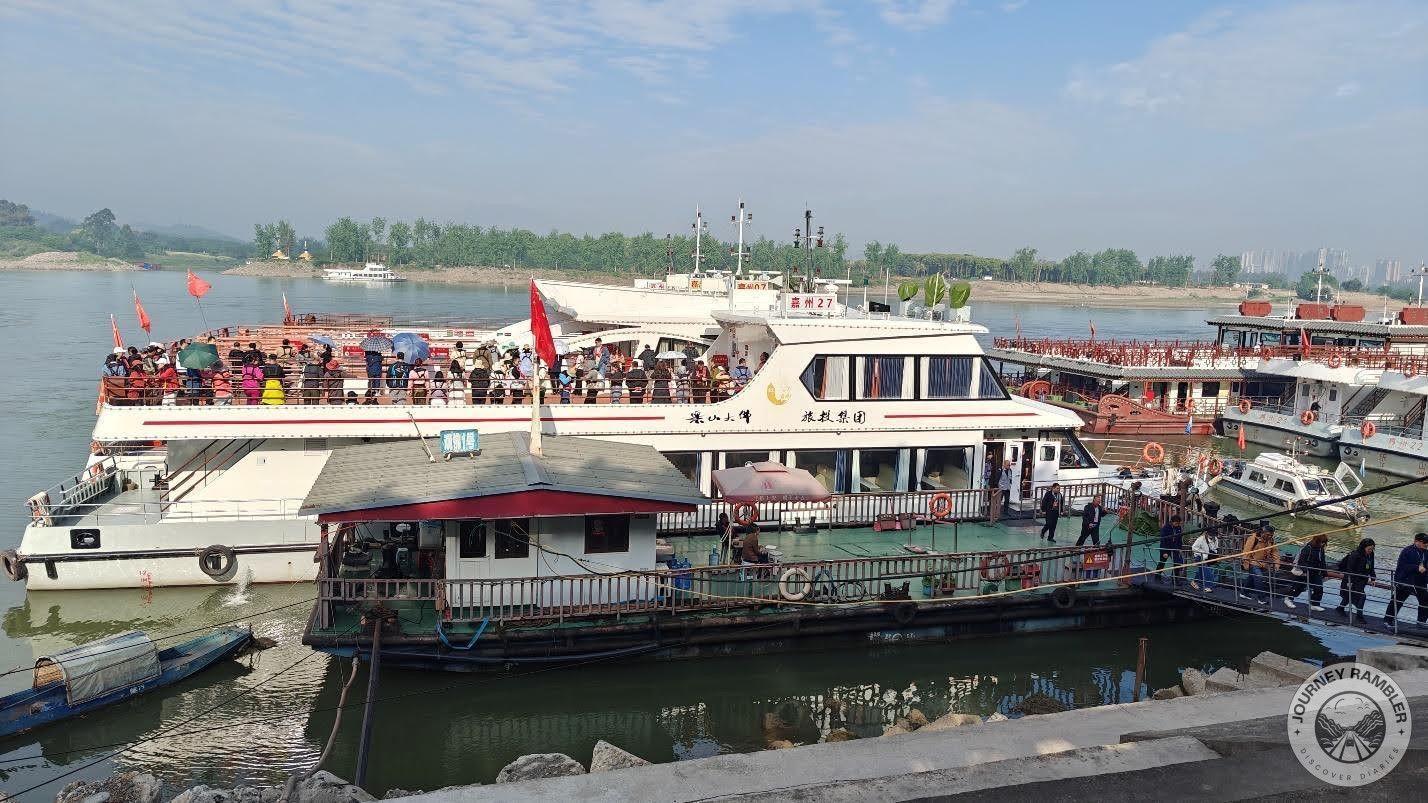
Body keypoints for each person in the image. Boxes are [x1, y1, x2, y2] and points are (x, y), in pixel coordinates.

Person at [1384, 532, 1428, 628]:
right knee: (1397, 601)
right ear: (1416, 541)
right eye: (1424, 542)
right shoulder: (1407, 551)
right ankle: (1388, 620)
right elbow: (1402, 566)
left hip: (1420, 581)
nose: (1426, 544)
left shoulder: (1426, 552)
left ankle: (1421, 621)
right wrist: (1416, 568)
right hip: (1405, 580)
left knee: (1425, 601)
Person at [1283, 533, 1328, 610]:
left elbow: (1322, 561)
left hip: (1316, 571)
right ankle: (1288, 599)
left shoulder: (1321, 549)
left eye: (1324, 542)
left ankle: (1314, 604)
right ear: (1317, 541)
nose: (1323, 544)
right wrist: (1306, 570)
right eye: (1322, 542)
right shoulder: (1307, 548)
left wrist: (1325, 573)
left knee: (1319, 588)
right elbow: (1301, 561)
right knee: (1298, 587)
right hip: (1306, 571)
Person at [1334, 538, 1375, 623]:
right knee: (1361, 596)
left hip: (1362, 580)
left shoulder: (1371, 554)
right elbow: (1350, 568)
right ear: (1364, 547)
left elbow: (1371, 567)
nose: (1370, 551)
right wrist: (1350, 581)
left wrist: (1373, 578)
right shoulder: (1355, 555)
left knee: (1349, 595)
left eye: (1372, 549)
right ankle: (1359, 616)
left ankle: (1340, 608)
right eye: (1369, 549)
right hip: (1353, 579)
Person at [1239, 521, 1275, 604]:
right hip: (1253, 562)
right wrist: (1246, 564)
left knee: (1252, 577)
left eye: (1271, 535)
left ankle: (1244, 593)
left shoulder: (1270, 540)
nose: (1270, 536)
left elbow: (1275, 552)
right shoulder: (1253, 538)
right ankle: (1261, 598)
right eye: (1268, 535)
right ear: (1262, 533)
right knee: (1259, 577)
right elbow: (1246, 552)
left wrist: (1277, 563)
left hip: (1262, 563)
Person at [1156, 514, 1184, 583]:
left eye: (1178, 523)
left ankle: (1175, 579)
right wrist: (1164, 552)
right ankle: (1157, 577)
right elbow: (1163, 540)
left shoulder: (1178, 528)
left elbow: (1179, 539)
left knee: (1177, 563)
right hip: (1166, 547)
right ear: (1171, 522)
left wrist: (1180, 548)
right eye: (1176, 523)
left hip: (1175, 548)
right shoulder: (1165, 528)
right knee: (1162, 562)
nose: (1177, 525)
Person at [1190, 526, 1219, 593]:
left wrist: (1215, 554)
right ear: (1207, 532)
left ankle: (1194, 581)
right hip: (1200, 556)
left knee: (1202, 570)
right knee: (1207, 571)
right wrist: (1202, 553)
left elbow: (1216, 547)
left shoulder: (1215, 538)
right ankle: (1208, 586)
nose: (1212, 535)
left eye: (1213, 533)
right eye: (1211, 533)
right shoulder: (1201, 538)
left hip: (1209, 557)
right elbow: (1194, 548)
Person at [991, 459, 1013, 524]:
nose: (1009, 466)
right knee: (999, 501)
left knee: (1007, 500)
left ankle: (1006, 512)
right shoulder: (1000, 471)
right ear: (1004, 465)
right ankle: (996, 513)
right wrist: (997, 487)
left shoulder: (1010, 470)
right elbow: (997, 479)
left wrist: (1010, 484)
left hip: (1007, 488)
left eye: (1009, 465)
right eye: (1008, 465)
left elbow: (1010, 478)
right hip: (1001, 488)